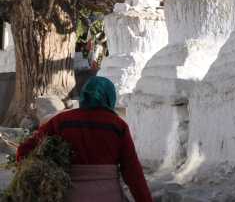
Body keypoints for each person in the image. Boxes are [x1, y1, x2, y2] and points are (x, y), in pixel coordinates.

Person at [16, 76, 153, 202]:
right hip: (108, 195)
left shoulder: (61, 121)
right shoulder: (118, 126)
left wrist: (32, 178)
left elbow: (24, 150)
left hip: (69, 195)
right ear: (109, 97)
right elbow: (133, 171)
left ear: (83, 95)